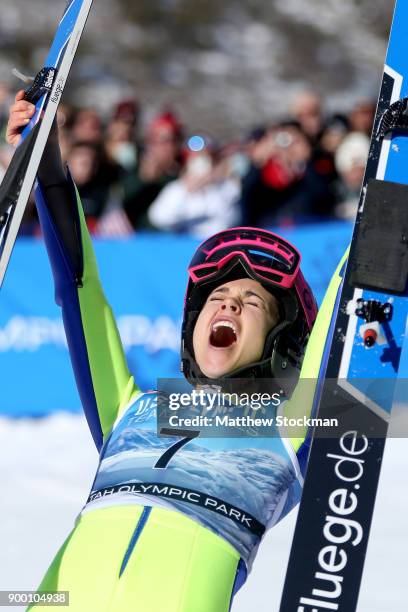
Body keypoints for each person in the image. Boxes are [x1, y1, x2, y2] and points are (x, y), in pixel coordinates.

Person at [7, 93, 342, 612]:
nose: (227, 303)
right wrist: (49, 164)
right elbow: (80, 293)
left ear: (279, 343)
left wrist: (391, 189)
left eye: (250, 301)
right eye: (218, 297)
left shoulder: (289, 429)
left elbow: (340, 331)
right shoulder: (130, 409)